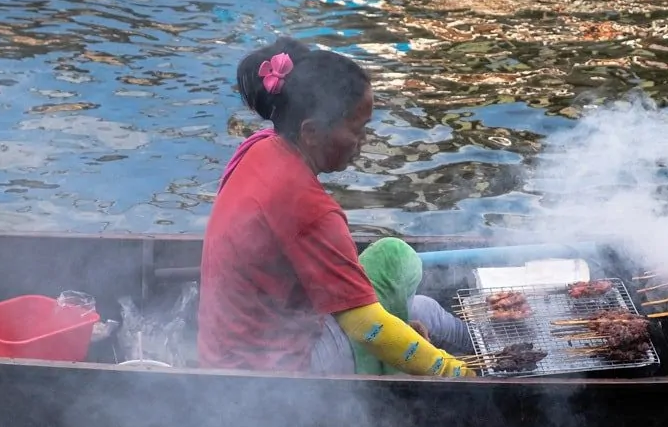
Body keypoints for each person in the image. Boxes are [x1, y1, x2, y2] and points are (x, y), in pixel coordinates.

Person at [197, 37, 475, 377]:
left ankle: (485, 351)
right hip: (273, 374)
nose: (363, 142)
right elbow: (367, 326)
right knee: (403, 277)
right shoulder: (308, 207)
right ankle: (479, 372)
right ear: (311, 132)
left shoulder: (258, 146)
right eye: (358, 130)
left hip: (223, 351)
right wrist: (455, 374)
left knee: (420, 308)